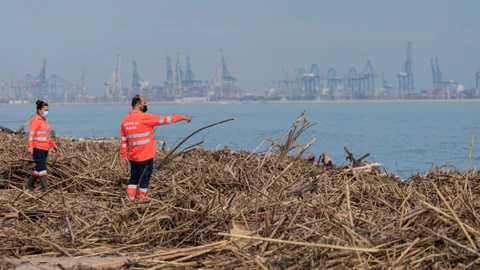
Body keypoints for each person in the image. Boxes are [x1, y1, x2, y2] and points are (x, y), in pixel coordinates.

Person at [120, 95, 194, 201]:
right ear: (138, 105)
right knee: (144, 180)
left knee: (134, 178)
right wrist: (183, 117)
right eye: (145, 103)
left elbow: (123, 142)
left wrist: (124, 156)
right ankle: (142, 201)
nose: (146, 105)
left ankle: (129, 199)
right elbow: (166, 119)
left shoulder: (125, 121)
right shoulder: (145, 118)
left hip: (133, 158)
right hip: (145, 157)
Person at [27, 100, 58, 192]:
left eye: (47, 109)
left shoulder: (45, 121)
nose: (47, 111)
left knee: (38, 168)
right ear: (39, 110)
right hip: (38, 148)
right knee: (43, 168)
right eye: (45, 110)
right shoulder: (35, 121)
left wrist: (53, 144)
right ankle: (45, 189)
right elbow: (31, 135)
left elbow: (46, 136)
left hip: (45, 149)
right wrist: (30, 147)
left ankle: (29, 185)